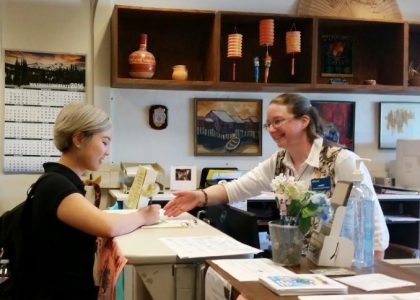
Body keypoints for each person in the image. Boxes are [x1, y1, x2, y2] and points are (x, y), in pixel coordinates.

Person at [164, 93, 389, 259]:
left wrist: (371, 275)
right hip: (298, 262)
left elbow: (374, 225)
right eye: (268, 124)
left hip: (339, 263)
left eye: (278, 121)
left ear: (304, 121)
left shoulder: (341, 160)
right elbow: (237, 188)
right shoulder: (279, 161)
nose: (271, 129)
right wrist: (199, 196)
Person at [22, 102, 160, 299]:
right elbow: (108, 227)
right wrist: (143, 216)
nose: (107, 151)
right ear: (78, 138)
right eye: (104, 142)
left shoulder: (63, 181)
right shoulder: (56, 185)